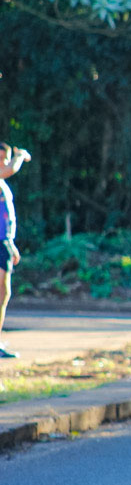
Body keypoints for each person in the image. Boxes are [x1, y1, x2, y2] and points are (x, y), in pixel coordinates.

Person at [0, 142, 30, 358]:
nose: (2, 163)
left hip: (3, 243)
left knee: (4, 293)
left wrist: (10, 244)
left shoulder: (3, 185)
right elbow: (10, 169)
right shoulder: (4, 174)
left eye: (5, 158)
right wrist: (20, 156)